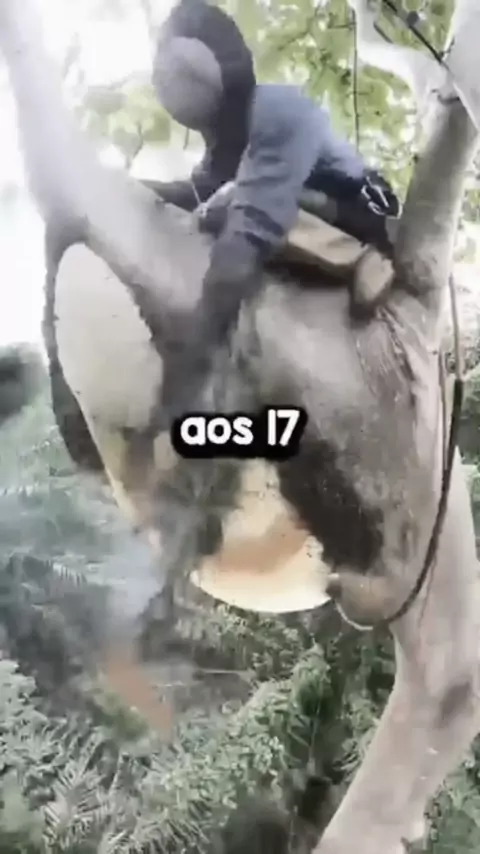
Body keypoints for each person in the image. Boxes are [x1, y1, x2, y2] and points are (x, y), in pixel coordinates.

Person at [149, 0, 400, 404]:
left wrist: (196, 347)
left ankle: (359, 256)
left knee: (236, 205)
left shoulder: (277, 109)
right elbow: (194, 193)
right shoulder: (223, 148)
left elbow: (254, 218)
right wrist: (131, 190)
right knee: (211, 211)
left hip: (358, 210)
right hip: (285, 207)